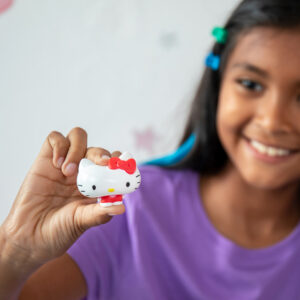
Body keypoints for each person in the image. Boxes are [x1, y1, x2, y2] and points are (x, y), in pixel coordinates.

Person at [1, 0, 300, 299]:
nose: (272, 121)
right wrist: (16, 253)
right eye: (250, 83)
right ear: (218, 82)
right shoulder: (118, 210)